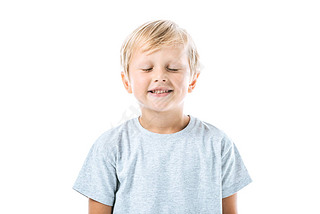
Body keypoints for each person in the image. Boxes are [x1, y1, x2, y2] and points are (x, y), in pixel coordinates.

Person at [73, 19, 252, 214]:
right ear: (127, 81)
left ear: (193, 79)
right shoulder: (110, 146)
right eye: (147, 69)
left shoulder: (218, 144)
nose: (160, 76)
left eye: (173, 68)